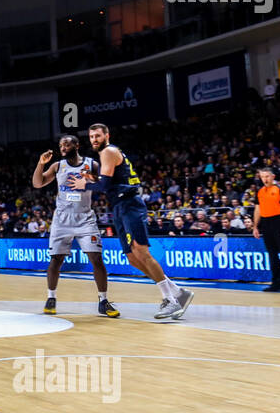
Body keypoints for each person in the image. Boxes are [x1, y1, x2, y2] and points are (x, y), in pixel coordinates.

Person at [67, 123, 193, 321]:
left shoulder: (108, 151)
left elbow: (105, 184)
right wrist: (92, 178)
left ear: (107, 135)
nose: (94, 140)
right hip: (119, 206)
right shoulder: (106, 154)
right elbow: (109, 181)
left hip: (130, 204)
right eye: (91, 137)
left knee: (141, 252)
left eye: (97, 136)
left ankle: (171, 300)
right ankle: (177, 292)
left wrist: (86, 183)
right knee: (132, 258)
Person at [33, 135, 120, 318]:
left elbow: (105, 184)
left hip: (85, 218)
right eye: (60, 145)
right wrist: (41, 164)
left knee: (96, 258)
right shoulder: (57, 166)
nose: (63, 147)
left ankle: (103, 301)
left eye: (66, 143)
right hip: (62, 219)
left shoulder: (91, 164)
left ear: (76, 145)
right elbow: (38, 183)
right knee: (56, 259)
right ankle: (51, 297)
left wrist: (89, 180)